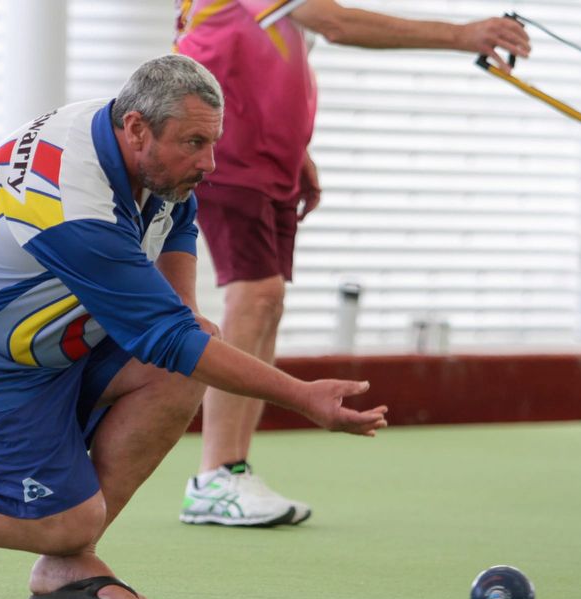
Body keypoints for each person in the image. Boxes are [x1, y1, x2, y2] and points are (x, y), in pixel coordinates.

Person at [0, 54, 389, 599]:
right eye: (194, 143)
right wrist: (302, 396)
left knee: (187, 353)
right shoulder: (72, 203)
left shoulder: (134, 146)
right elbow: (168, 337)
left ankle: (66, 565)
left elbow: (177, 259)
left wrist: (183, 330)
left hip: (40, 351)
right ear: (137, 128)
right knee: (72, 513)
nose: (210, 163)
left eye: (213, 142)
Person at [175, 0, 531, 527]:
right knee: (256, 294)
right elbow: (336, 24)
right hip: (231, 155)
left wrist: (298, 151)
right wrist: (462, 36)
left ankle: (234, 470)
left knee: (267, 303)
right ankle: (215, 475)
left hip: (269, 158)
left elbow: (269, 60)